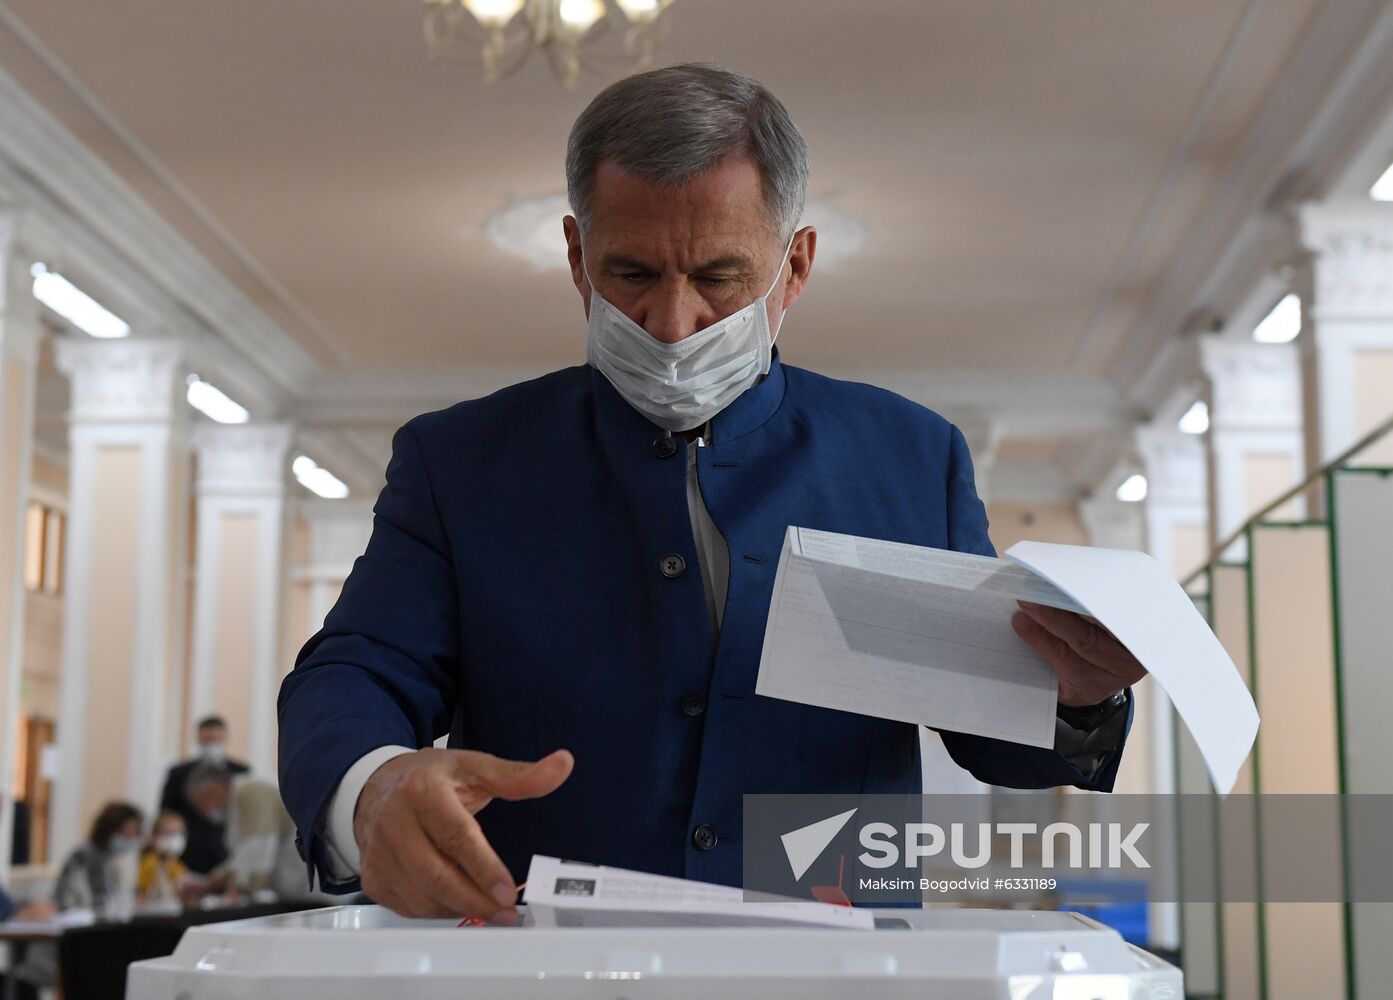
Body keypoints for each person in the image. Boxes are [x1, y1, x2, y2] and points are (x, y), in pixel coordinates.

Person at [278, 64, 1146, 922]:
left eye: (718, 277)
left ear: (793, 266)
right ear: (577, 257)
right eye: (631, 274)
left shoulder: (909, 461)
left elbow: (991, 736)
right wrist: (369, 785)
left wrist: (1077, 696)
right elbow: (356, 670)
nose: (671, 322)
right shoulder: (460, 463)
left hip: (834, 954)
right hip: (542, 954)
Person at [159, 716, 249, 874]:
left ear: (225, 738)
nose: (212, 744)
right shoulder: (179, 773)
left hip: (227, 847)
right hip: (190, 849)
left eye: (216, 739)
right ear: (198, 739)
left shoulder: (241, 772)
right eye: (207, 739)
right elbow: (167, 811)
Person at [54, 802, 143, 916]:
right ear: (110, 829)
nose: (130, 839)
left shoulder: (110, 860)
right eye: (126, 834)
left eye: (133, 834)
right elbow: (69, 900)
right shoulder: (82, 856)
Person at [137, 811, 203, 909]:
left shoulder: (175, 865)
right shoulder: (148, 864)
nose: (176, 839)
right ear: (154, 836)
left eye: (180, 833)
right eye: (169, 834)